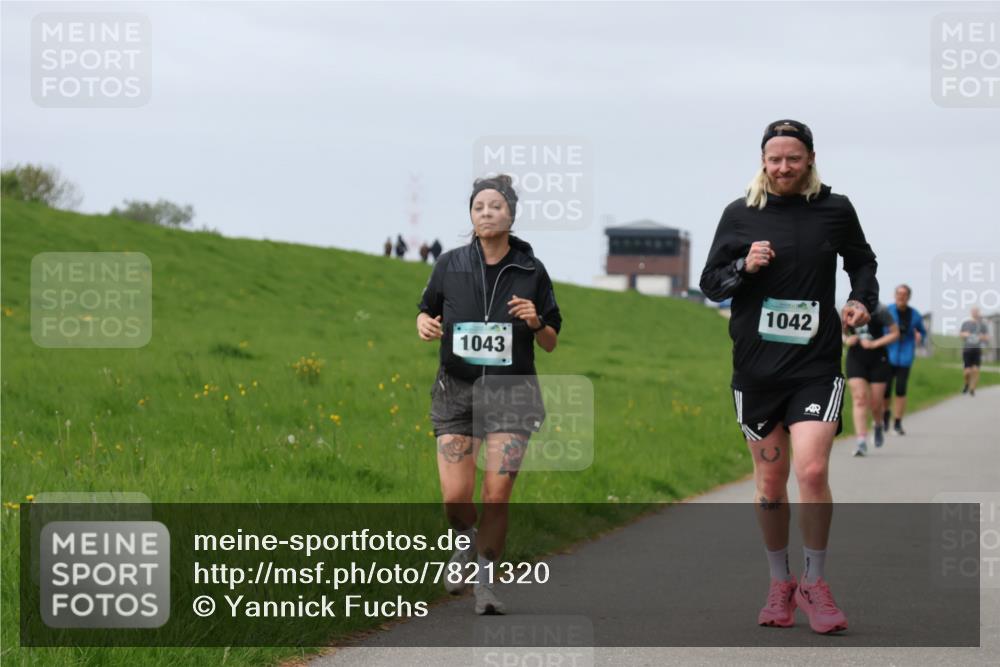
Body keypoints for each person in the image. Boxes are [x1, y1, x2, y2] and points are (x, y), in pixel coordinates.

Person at [700, 120, 878, 634]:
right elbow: (711, 283)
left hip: (816, 367)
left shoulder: (834, 209)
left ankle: (815, 585)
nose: (783, 167)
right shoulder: (740, 214)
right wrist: (745, 269)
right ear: (763, 161)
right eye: (774, 159)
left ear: (810, 159)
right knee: (771, 483)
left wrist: (860, 301)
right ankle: (780, 585)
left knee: (813, 471)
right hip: (756, 371)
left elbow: (862, 262)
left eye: (793, 158)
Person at [416, 174, 562, 615]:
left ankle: (485, 586)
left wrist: (536, 321)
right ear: (471, 216)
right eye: (479, 207)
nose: (486, 213)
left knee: (496, 495)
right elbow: (427, 309)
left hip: (512, 397)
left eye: (495, 206)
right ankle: (462, 546)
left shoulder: (531, 271)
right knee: (455, 497)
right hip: (456, 393)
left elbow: (552, 340)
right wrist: (423, 324)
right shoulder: (449, 264)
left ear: (511, 215)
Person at [843, 302, 899, 456]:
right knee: (860, 399)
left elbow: (895, 333)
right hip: (856, 358)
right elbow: (840, 331)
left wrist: (875, 343)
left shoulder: (880, 310)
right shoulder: (847, 308)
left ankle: (878, 424)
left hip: (878, 359)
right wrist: (846, 340)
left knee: (876, 404)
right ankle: (861, 441)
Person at [883, 284, 926, 435]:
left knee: (901, 389)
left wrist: (920, 337)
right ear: (895, 295)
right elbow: (879, 329)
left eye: (904, 294)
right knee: (886, 391)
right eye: (899, 294)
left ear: (908, 297)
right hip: (888, 355)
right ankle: (885, 415)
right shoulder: (887, 310)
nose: (901, 296)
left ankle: (898, 423)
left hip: (906, 357)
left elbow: (922, 331)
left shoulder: (915, 315)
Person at [960, 307, 990, 396]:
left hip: (977, 350)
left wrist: (982, 337)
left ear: (979, 313)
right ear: (971, 312)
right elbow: (961, 335)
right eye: (973, 311)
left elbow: (987, 337)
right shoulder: (966, 323)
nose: (975, 313)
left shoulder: (982, 325)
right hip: (967, 350)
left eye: (977, 311)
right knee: (967, 372)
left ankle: (972, 389)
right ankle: (966, 384)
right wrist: (965, 334)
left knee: (976, 370)